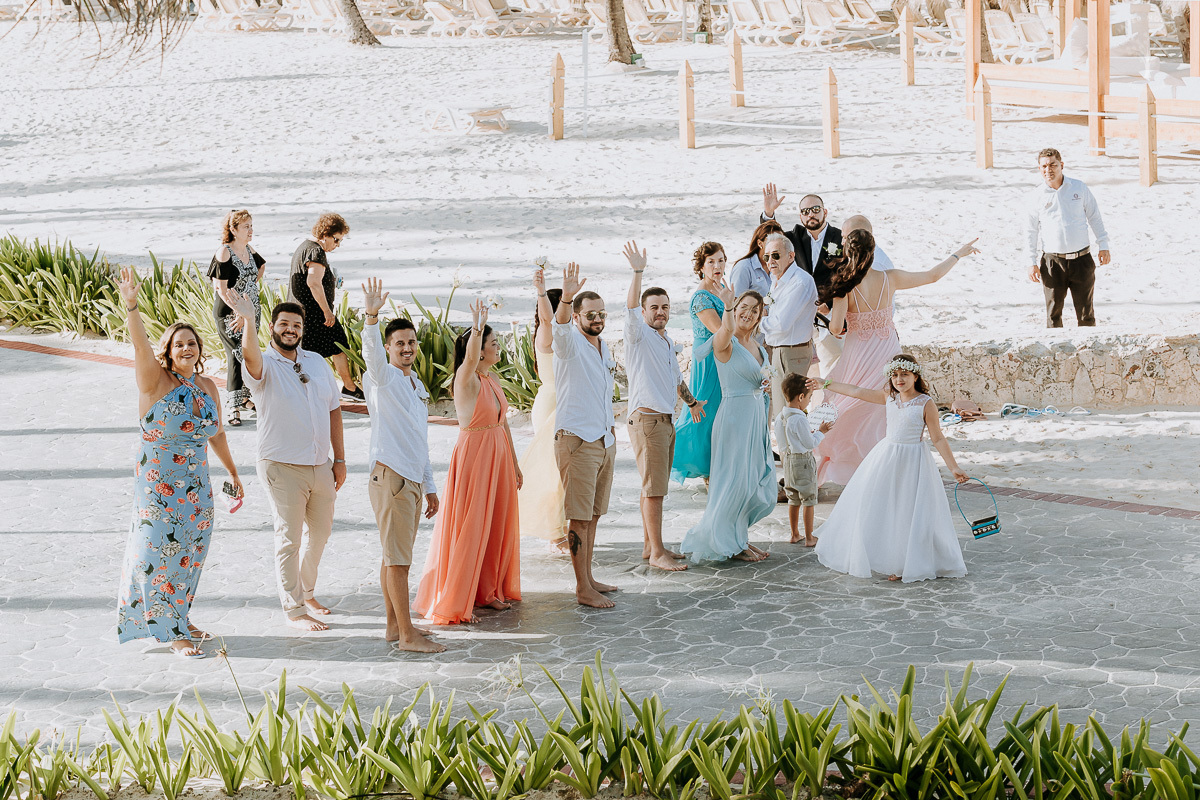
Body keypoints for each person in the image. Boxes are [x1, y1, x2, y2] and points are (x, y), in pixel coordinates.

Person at [116, 268, 243, 657]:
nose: (187, 349)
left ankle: (181, 616)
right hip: (159, 489)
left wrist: (233, 474)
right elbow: (140, 348)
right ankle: (170, 633)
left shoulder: (206, 387)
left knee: (189, 554)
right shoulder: (155, 382)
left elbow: (217, 433)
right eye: (179, 344)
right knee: (156, 555)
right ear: (168, 351)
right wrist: (132, 307)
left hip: (197, 488)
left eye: (192, 343)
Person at [219, 289, 345, 631]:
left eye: (297, 325)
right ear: (273, 326)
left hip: (321, 464)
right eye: (284, 324)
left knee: (319, 534)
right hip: (280, 465)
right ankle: (294, 609)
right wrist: (247, 321)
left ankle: (306, 591)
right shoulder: (262, 362)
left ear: (303, 330)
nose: (291, 329)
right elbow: (249, 357)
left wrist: (341, 459)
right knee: (289, 537)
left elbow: (334, 409)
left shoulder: (316, 362)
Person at [815, 231, 979, 486]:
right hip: (888, 350)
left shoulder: (843, 285)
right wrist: (958, 254)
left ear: (847, 251)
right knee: (889, 406)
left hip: (859, 353)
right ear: (873, 252)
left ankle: (860, 467)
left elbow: (836, 329)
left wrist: (832, 311)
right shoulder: (890, 278)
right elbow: (932, 276)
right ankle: (887, 467)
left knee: (855, 404)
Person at [808, 356, 969, 582]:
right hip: (886, 457)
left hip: (913, 460)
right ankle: (888, 557)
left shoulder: (925, 403)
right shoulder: (889, 398)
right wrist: (825, 383)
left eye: (904, 374)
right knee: (882, 506)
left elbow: (938, 438)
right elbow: (856, 390)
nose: (899, 379)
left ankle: (906, 563)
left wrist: (954, 468)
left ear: (915, 376)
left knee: (909, 509)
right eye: (894, 375)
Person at [414, 300, 523, 625]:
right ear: (477, 351)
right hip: (476, 458)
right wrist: (477, 327)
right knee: (472, 525)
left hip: (498, 455)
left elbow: (502, 423)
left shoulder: (492, 380)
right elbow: (470, 357)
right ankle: (459, 596)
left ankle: (487, 591)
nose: (498, 348)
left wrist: (514, 464)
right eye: (493, 343)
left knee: (495, 523)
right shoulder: (467, 378)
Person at [360, 278, 444, 652]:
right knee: (398, 562)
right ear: (389, 348)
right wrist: (372, 318)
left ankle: (395, 628)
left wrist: (429, 486)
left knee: (394, 558)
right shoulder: (383, 377)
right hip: (390, 475)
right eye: (400, 343)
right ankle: (408, 635)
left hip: (410, 478)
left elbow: (419, 439)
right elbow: (373, 357)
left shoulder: (414, 385)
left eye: (411, 342)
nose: (407, 348)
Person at [622, 241, 704, 573]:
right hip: (647, 419)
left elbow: (675, 378)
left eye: (665, 307)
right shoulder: (637, 335)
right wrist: (638, 272)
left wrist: (692, 403)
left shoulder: (666, 340)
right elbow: (628, 308)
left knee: (655, 486)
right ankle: (657, 553)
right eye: (654, 307)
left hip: (665, 420)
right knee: (654, 489)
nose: (660, 312)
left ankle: (649, 545)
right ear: (644, 312)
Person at [680, 290, 775, 563]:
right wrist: (729, 307)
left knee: (753, 481)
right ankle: (729, 543)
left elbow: (759, 381)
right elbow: (726, 328)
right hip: (734, 417)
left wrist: (765, 385)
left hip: (755, 417)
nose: (749, 313)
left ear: (759, 316)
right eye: (744, 307)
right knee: (735, 482)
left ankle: (738, 538)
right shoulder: (725, 341)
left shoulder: (758, 346)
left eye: (754, 310)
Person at [553, 263, 619, 608]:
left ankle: (590, 577)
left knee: (593, 515)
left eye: (602, 313)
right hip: (577, 440)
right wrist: (565, 297)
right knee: (579, 516)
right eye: (590, 313)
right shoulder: (570, 344)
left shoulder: (603, 346)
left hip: (603, 440)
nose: (597, 318)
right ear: (577, 316)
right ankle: (581, 587)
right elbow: (559, 329)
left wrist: (610, 432)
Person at [1025, 147, 1111, 328]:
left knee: (1086, 315)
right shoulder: (1035, 196)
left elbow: (1094, 216)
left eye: (1053, 165)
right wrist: (1030, 261)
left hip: (1082, 260)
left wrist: (1103, 245)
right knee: (1053, 316)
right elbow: (1030, 231)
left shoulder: (1079, 187)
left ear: (1061, 165)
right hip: (1052, 263)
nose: (1049, 170)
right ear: (1039, 169)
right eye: (1044, 166)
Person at [517, 269, 568, 551]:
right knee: (553, 472)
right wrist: (541, 290)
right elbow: (548, 319)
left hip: (564, 401)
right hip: (551, 404)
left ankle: (561, 526)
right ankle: (554, 532)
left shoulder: (566, 333)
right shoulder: (545, 332)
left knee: (563, 471)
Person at [288, 213, 363, 399]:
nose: (337, 245)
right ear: (325, 234)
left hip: (303, 313)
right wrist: (327, 311)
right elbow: (313, 282)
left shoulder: (304, 247)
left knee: (333, 346)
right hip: (314, 314)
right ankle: (347, 388)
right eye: (336, 240)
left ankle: (347, 387)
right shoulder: (316, 251)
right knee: (335, 344)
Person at [671, 242, 728, 484]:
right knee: (706, 408)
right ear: (702, 267)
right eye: (711, 262)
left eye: (721, 260)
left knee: (721, 409)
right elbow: (719, 330)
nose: (717, 266)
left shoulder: (722, 288)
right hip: (708, 359)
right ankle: (700, 465)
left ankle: (716, 463)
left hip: (723, 355)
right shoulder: (702, 297)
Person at [208, 209, 265, 427]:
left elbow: (260, 266)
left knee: (249, 353)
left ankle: (246, 398)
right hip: (230, 312)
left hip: (252, 311)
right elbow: (221, 289)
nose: (251, 230)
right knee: (235, 353)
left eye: (251, 225)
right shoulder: (224, 252)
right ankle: (233, 405)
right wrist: (240, 311)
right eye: (246, 227)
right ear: (233, 230)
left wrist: (250, 288)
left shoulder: (249, 249)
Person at [759, 233, 818, 423]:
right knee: (781, 414)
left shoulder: (799, 282)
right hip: (781, 351)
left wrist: (758, 321)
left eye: (776, 255)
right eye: (767, 257)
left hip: (792, 353)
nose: (770, 261)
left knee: (789, 415)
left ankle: (793, 453)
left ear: (791, 256)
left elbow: (781, 325)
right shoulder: (778, 279)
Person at [773, 373, 832, 547]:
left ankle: (794, 534)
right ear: (800, 397)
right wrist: (821, 432)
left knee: (793, 498)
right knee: (808, 500)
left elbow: (784, 444)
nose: (809, 401)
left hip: (789, 461)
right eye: (809, 397)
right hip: (804, 462)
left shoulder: (780, 417)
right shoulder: (799, 418)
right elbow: (809, 443)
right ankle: (809, 537)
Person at [760, 186, 843, 289]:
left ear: (825, 212)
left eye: (816, 209)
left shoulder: (841, 237)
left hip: (831, 301)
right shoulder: (795, 237)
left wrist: (829, 304)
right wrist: (769, 213)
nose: (811, 214)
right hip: (801, 299)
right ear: (800, 217)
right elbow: (772, 238)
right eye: (805, 211)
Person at [728, 221, 782, 299]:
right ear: (760, 244)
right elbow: (736, 303)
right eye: (772, 241)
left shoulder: (780, 266)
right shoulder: (743, 267)